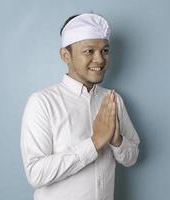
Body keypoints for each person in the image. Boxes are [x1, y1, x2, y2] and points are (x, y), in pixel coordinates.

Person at [20, 13, 140, 200]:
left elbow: (132, 157)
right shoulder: (42, 102)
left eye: (105, 50)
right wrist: (94, 143)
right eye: (89, 51)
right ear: (65, 55)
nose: (100, 59)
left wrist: (117, 140)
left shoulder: (113, 100)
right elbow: (36, 174)